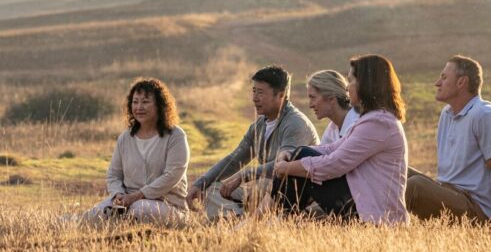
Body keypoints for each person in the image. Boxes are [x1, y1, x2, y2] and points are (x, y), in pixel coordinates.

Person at [406, 56, 491, 228]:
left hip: (478, 211)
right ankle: (365, 224)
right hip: (450, 193)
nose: (437, 83)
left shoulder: (486, 116)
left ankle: (379, 227)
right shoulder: (447, 114)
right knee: (396, 171)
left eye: (444, 77)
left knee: (414, 187)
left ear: (461, 82)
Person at [272, 55, 409, 225]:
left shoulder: (378, 123)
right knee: (302, 154)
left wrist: (289, 167)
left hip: (376, 217)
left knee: (303, 158)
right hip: (363, 205)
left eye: (351, 81)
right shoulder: (373, 119)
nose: (347, 88)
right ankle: (280, 220)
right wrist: (291, 155)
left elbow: (335, 164)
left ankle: (276, 220)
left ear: (365, 84)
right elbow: (332, 148)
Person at [185, 66, 318, 218]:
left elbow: (283, 166)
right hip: (262, 191)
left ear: (281, 95)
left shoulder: (296, 123)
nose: (255, 98)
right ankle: (238, 219)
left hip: (292, 193)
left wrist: (244, 175)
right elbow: (234, 160)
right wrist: (200, 183)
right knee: (211, 189)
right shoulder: (258, 126)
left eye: (260, 92)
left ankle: (246, 221)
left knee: (261, 185)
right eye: (254, 91)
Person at [84, 78, 190, 222]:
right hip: (126, 203)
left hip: (168, 206)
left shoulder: (175, 136)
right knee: (96, 214)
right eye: (135, 102)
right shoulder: (125, 138)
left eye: (145, 102)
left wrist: (137, 196)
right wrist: (118, 195)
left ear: (160, 105)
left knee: (139, 209)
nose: (139, 107)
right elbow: (113, 175)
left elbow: (172, 175)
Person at [306, 69, 360, 145]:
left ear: (331, 98)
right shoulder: (333, 128)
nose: (310, 105)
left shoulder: (356, 125)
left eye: (313, 97)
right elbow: (320, 152)